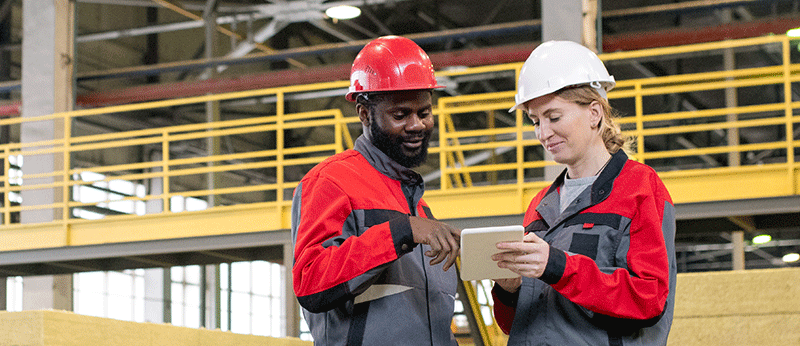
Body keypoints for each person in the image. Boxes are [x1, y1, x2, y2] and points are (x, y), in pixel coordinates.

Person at [490, 40, 677, 345]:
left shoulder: (640, 188)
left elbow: (649, 299)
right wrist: (509, 291)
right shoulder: (540, 205)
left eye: (553, 117)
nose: (543, 134)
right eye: (535, 121)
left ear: (594, 113)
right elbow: (517, 324)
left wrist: (557, 265)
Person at [291, 35, 461, 346]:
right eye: (400, 115)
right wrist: (400, 232)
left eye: (424, 113)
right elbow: (310, 281)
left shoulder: (420, 209)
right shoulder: (331, 183)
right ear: (365, 114)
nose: (417, 125)